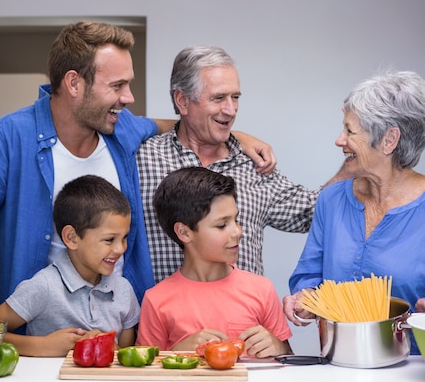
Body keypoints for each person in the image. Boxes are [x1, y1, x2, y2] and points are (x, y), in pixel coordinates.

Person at [0, 22, 275, 318]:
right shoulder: (8, 137)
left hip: (121, 326)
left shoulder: (121, 130)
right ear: (74, 84)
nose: (129, 98)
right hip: (32, 333)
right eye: (117, 86)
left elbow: (172, 122)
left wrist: (233, 134)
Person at [138, 45, 348, 284]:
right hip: (162, 318)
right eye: (218, 98)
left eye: (235, 97)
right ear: (182, 101)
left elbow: (312, 212)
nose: (231, 110)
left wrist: (354, 160)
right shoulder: (142, 159)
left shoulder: (254, 164)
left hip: (242, 320)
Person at [284, 70, 425, 355]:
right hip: (338, 363)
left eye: (350, 130)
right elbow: (309, 274)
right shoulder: (332, 199)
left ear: (389, 140)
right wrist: (305, 296)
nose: (339, 140)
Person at [136, 167, 293, 358]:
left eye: (236, 219)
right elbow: (145, 372)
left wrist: (279, 347)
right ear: (184, 232)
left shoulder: (261, 289)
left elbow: (287, 359)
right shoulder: (157, 300)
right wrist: (174, 353)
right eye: (221, 225)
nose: (237, 232)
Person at [0, 175, 139, 357]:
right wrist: (43, 345)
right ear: (71, 237)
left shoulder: (124, 291)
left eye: (124, 237)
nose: (120, 248)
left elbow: (125, 355)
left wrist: (108, 345)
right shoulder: (43, 286)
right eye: (110, 240)